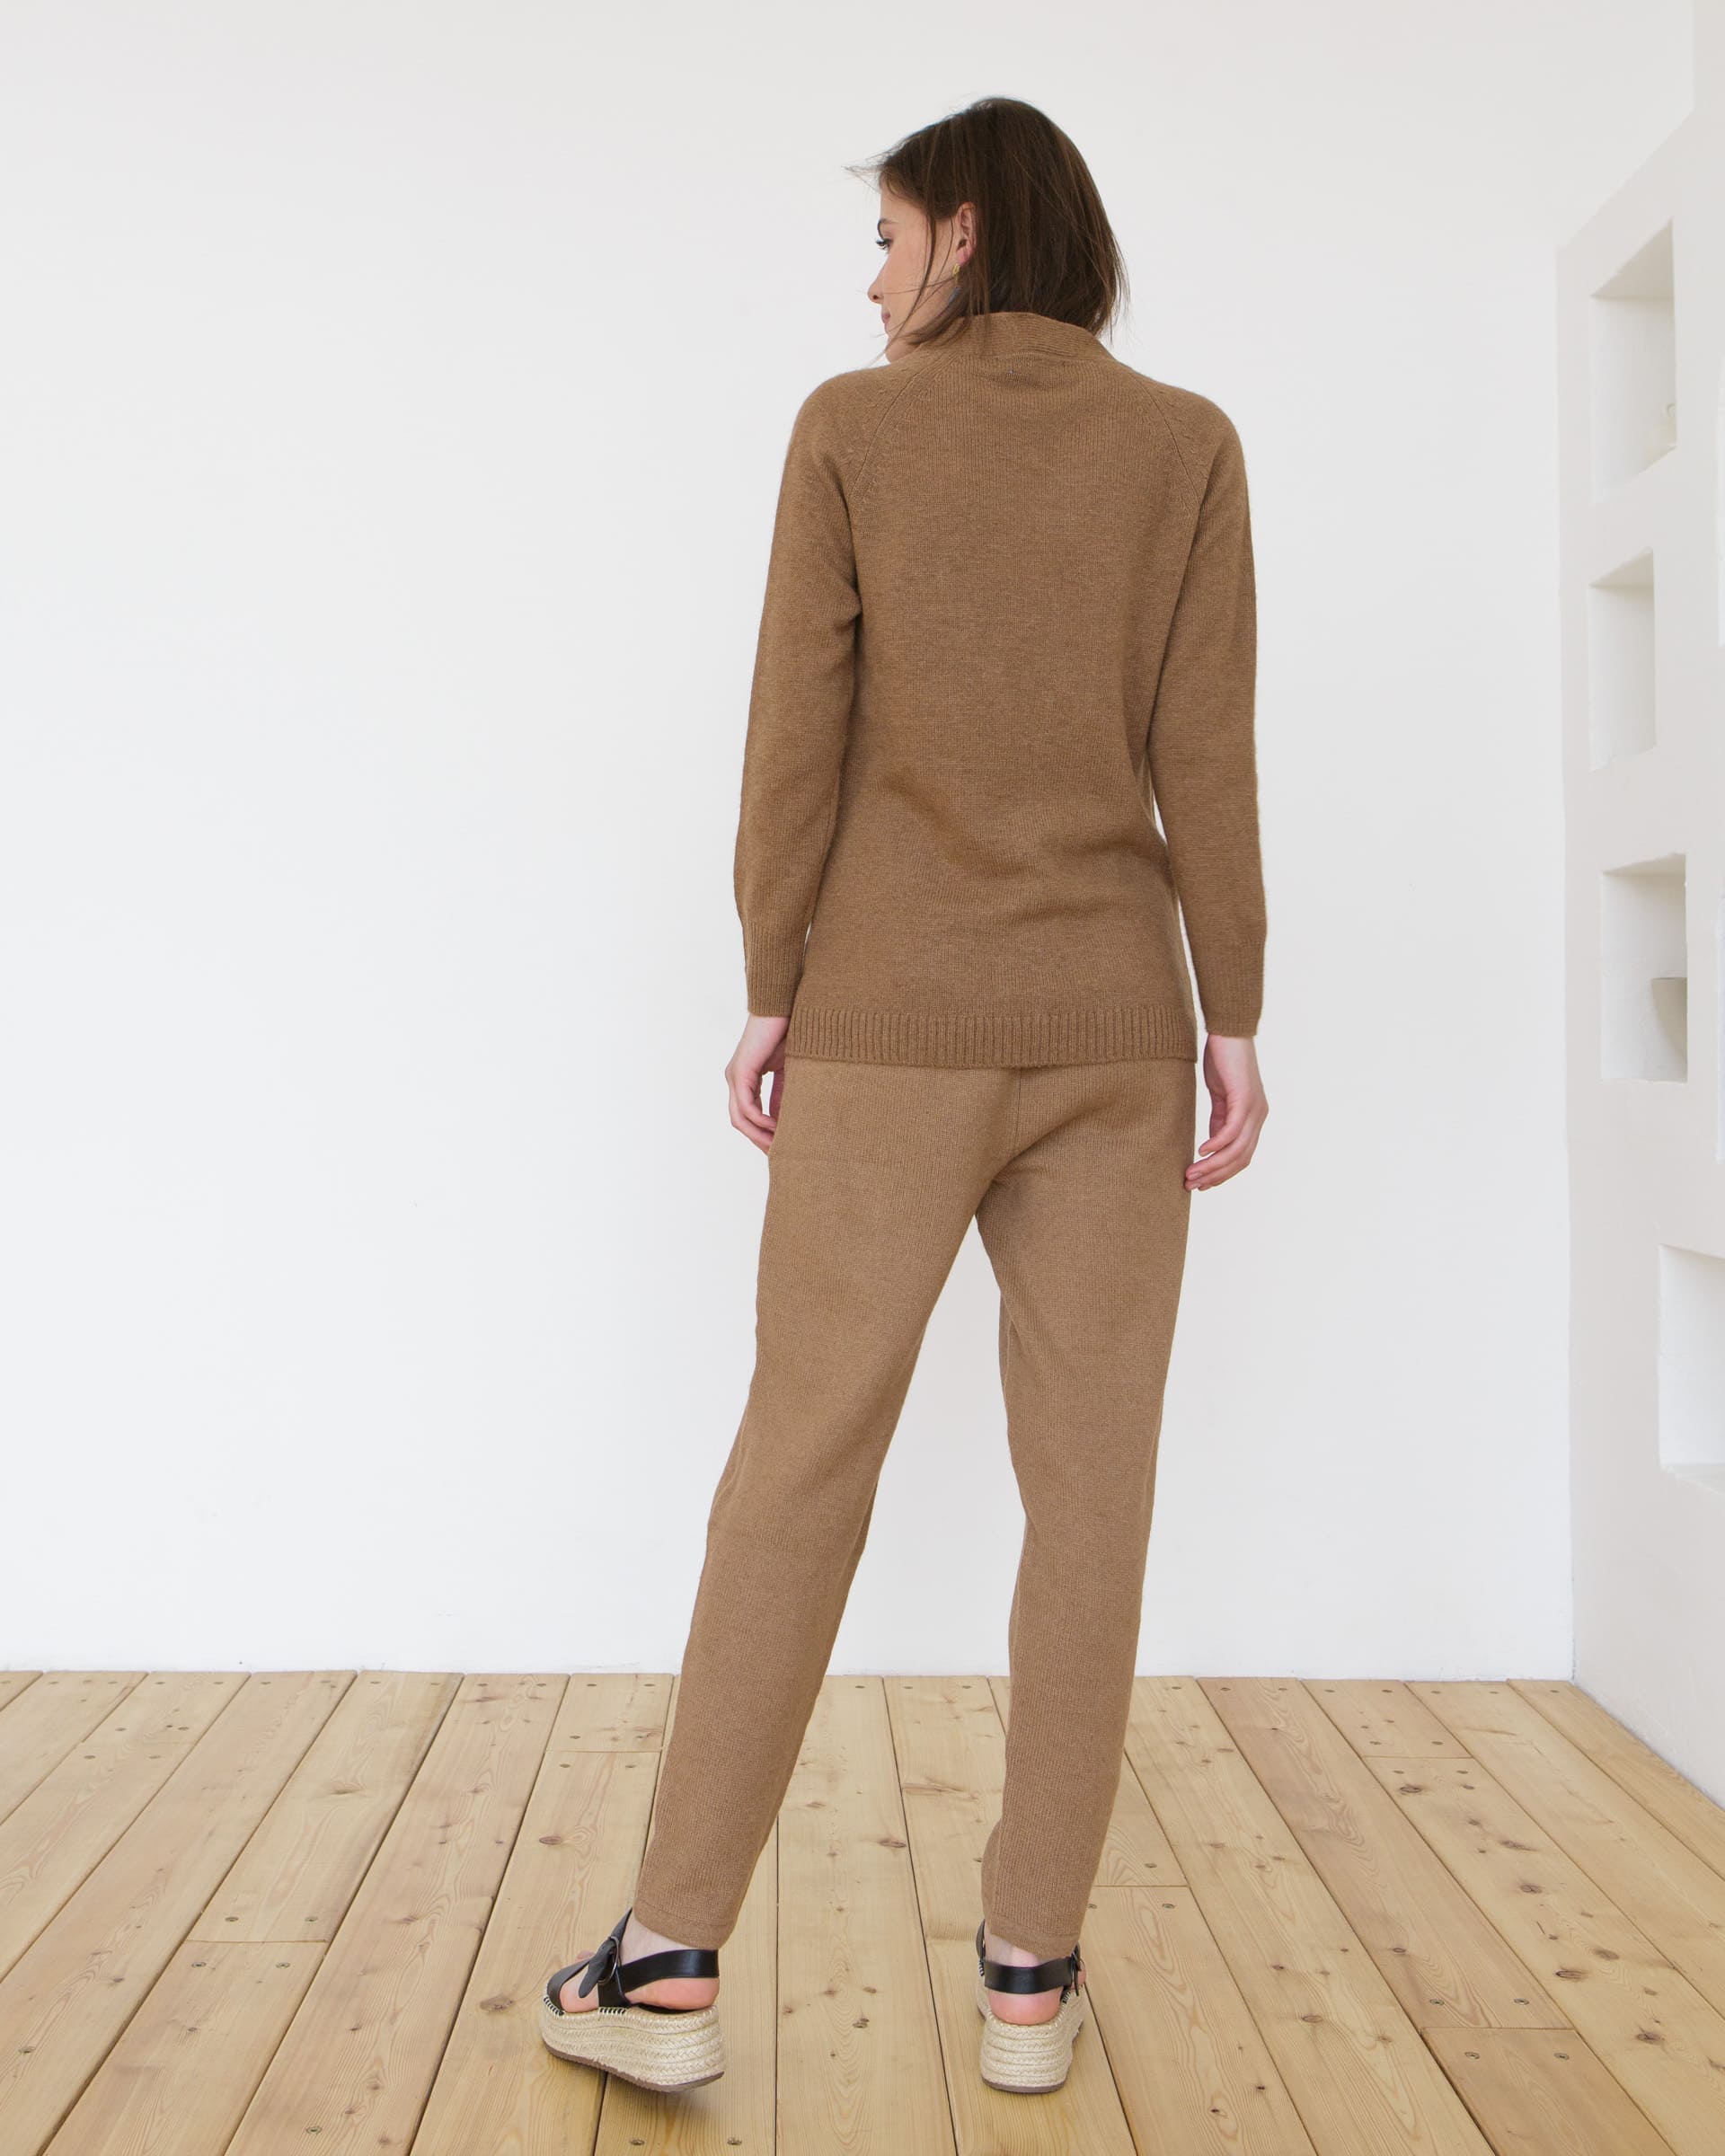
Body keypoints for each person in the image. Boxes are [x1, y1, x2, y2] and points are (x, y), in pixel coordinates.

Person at [540, 93, 1269, 2099]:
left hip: (883, 1025)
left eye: (884, 237)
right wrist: (1232, 1010)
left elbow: (796, 732)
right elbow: (1207, 752)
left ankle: (666, 1960)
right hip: (1117, 1035)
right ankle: (1032, 1973)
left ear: (962, 232)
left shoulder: (853, 432)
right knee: (1094, 1496)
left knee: (799, 1461)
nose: (869, 282)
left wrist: (768, 980)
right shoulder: (1188, 445)